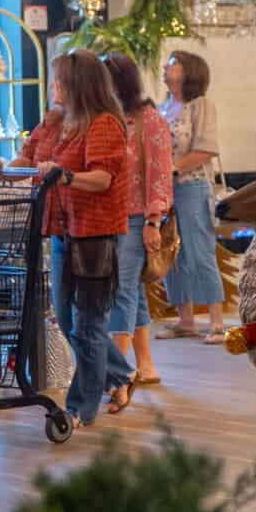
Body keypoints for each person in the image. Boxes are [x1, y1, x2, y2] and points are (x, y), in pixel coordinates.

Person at [10, 51, 132, 427]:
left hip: (95, 235)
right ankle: (120, 373)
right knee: (66, 321)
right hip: (63, 232)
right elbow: (32, 162)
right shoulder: (60, 123)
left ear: (77, 85)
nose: (53, 85)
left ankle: (79, 408)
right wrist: (1, 169)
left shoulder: (103, 124)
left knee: (88, 326)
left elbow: (102, 179)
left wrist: (66, 176)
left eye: (59, 79)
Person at [103, 54, 173, 389]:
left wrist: (153, 221)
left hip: (135, 218)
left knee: (122, 290)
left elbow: (159, 174)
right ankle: (145, 364)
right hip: (108, 217)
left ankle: (115, 373)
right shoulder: (105, 119)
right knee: (133, 290)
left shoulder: (149, 120)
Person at [159, 50, 226, 343]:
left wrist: (172, 169)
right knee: (171, 253)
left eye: (173, 63)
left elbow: (206, 149)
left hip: (193, 186)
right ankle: (185, 319)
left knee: (200, 251)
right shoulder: (163, 107)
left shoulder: (201, 105)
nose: (166, 67)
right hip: (165, 190)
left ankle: (216, 322)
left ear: (189, 71)